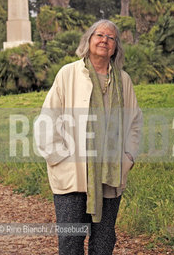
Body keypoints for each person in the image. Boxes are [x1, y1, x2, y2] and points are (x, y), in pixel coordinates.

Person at [34, 19, 143, 255]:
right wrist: (60, 158)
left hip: (110, 176)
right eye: (99, 35)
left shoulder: (123, 80)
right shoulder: (69, 74)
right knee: (70, 243)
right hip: (73, 176)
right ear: (89, 40)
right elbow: (47, 119)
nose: (105, 40)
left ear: (116, 47)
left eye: (111, 37)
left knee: (103, 244)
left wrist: (128, 157)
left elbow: (134, 122)